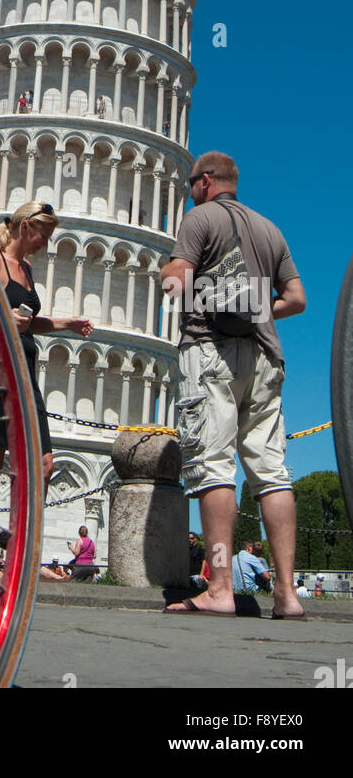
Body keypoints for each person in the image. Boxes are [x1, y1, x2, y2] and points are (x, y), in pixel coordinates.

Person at [160, 152, 307, 619]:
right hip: (266, 357)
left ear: (205, 181)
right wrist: (255, 305)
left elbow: (177, 284)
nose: (189, 190)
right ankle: (286, 593)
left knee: (212, 466)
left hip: (210, 351)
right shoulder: (270, 228)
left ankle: (221, 586)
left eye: (190, 183)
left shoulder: (199, 218)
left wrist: (171, 275)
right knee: (272, 471)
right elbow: (297, 299)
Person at [0, 201, 93, 572]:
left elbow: (28, 322)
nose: (44, 244)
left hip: (24, 368)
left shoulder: (27, 270)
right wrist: (1, 316)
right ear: (25, 226)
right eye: (42, 235)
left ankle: (19, 556)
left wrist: (66, 324)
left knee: (42, 464)